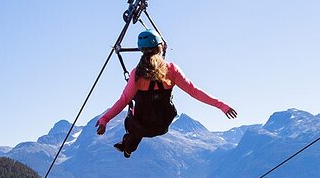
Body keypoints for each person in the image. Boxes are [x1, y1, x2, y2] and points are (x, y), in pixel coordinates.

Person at [96, 30, 237, 157]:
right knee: (142, 119)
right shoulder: (171, 70)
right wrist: (222, 106)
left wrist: (105, 120)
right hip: (161, 125)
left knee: (134, 112)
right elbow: (194, 91)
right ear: (160, 48)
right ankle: (128, 146)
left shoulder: (136, 75)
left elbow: (123, 100)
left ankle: (128, 147)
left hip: (140, 125)